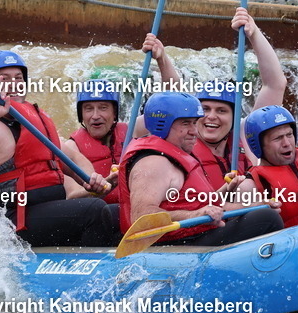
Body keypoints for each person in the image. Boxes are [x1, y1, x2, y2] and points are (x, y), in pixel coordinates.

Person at [0, 50, 119, 247]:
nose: (14, 84)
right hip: (6, 221)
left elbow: (73, 158)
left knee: (116, 213)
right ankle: (88, 269)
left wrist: (92, 178)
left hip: (41, 212)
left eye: (18, 78)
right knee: (94, 210)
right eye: (4, 79)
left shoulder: (32, 121)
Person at [141, 7, 287, 184]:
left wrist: (254, 33)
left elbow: (275, 85)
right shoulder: (181, 138)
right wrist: (162, 59)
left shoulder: (244, 135)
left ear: (234, 117)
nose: (211, 116)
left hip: (245, 210)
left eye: (221, 110)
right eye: (205, 109)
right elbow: (173, 96)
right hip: (203, 211)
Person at [119, 91, 283, 246]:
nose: (194, 132)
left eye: (194, 123)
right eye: (185, 123)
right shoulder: (152, 162)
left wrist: (248, 202)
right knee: (266, 219)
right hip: (172, 246)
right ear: (163, 124)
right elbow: (142, 218)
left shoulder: (176, 153)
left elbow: (199, 205)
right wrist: (195, 215)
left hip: (193, 235)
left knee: (262, 210)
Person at [62, 80, 125, 204]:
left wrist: (162, 60)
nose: (95, 116)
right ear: (81, 115)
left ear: (114, 112)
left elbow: (171, 103)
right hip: (101, 214)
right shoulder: (71, 148)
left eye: (103, 108)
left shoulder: (132, 131)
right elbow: (72, 196)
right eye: (88, 109)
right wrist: (107, 185)